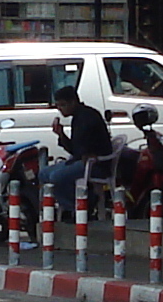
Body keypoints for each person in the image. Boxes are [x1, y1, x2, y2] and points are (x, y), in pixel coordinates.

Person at [40, 84, 113, 235]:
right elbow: (75, 148)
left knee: (57, 177)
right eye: (58, 105)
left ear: (73, 102)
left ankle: (78, 208)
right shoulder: (77, 118)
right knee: (44, 173)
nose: (60, 109)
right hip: (80, 159)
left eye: (63, 105)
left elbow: (85, 149)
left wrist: (84, 154)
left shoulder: (88, 117)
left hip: (96, 164)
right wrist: (61, 134)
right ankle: (66, 206)